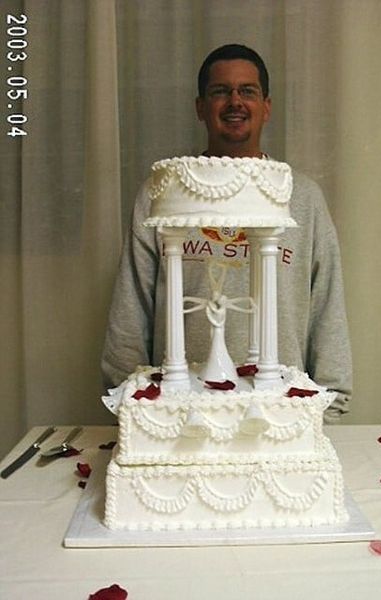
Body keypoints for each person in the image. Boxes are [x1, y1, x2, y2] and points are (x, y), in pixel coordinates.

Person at [101, 44, 352, 423]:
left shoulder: (301, 197)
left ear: (266, 106)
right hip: (182, 419)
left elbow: (326, 307)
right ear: (200, 107)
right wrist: (136, 413)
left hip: (278, 417)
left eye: (247, 91)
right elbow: (130, 314)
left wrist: (324, 415)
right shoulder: (163, 194)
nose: (235, 102)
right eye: (221, 91)